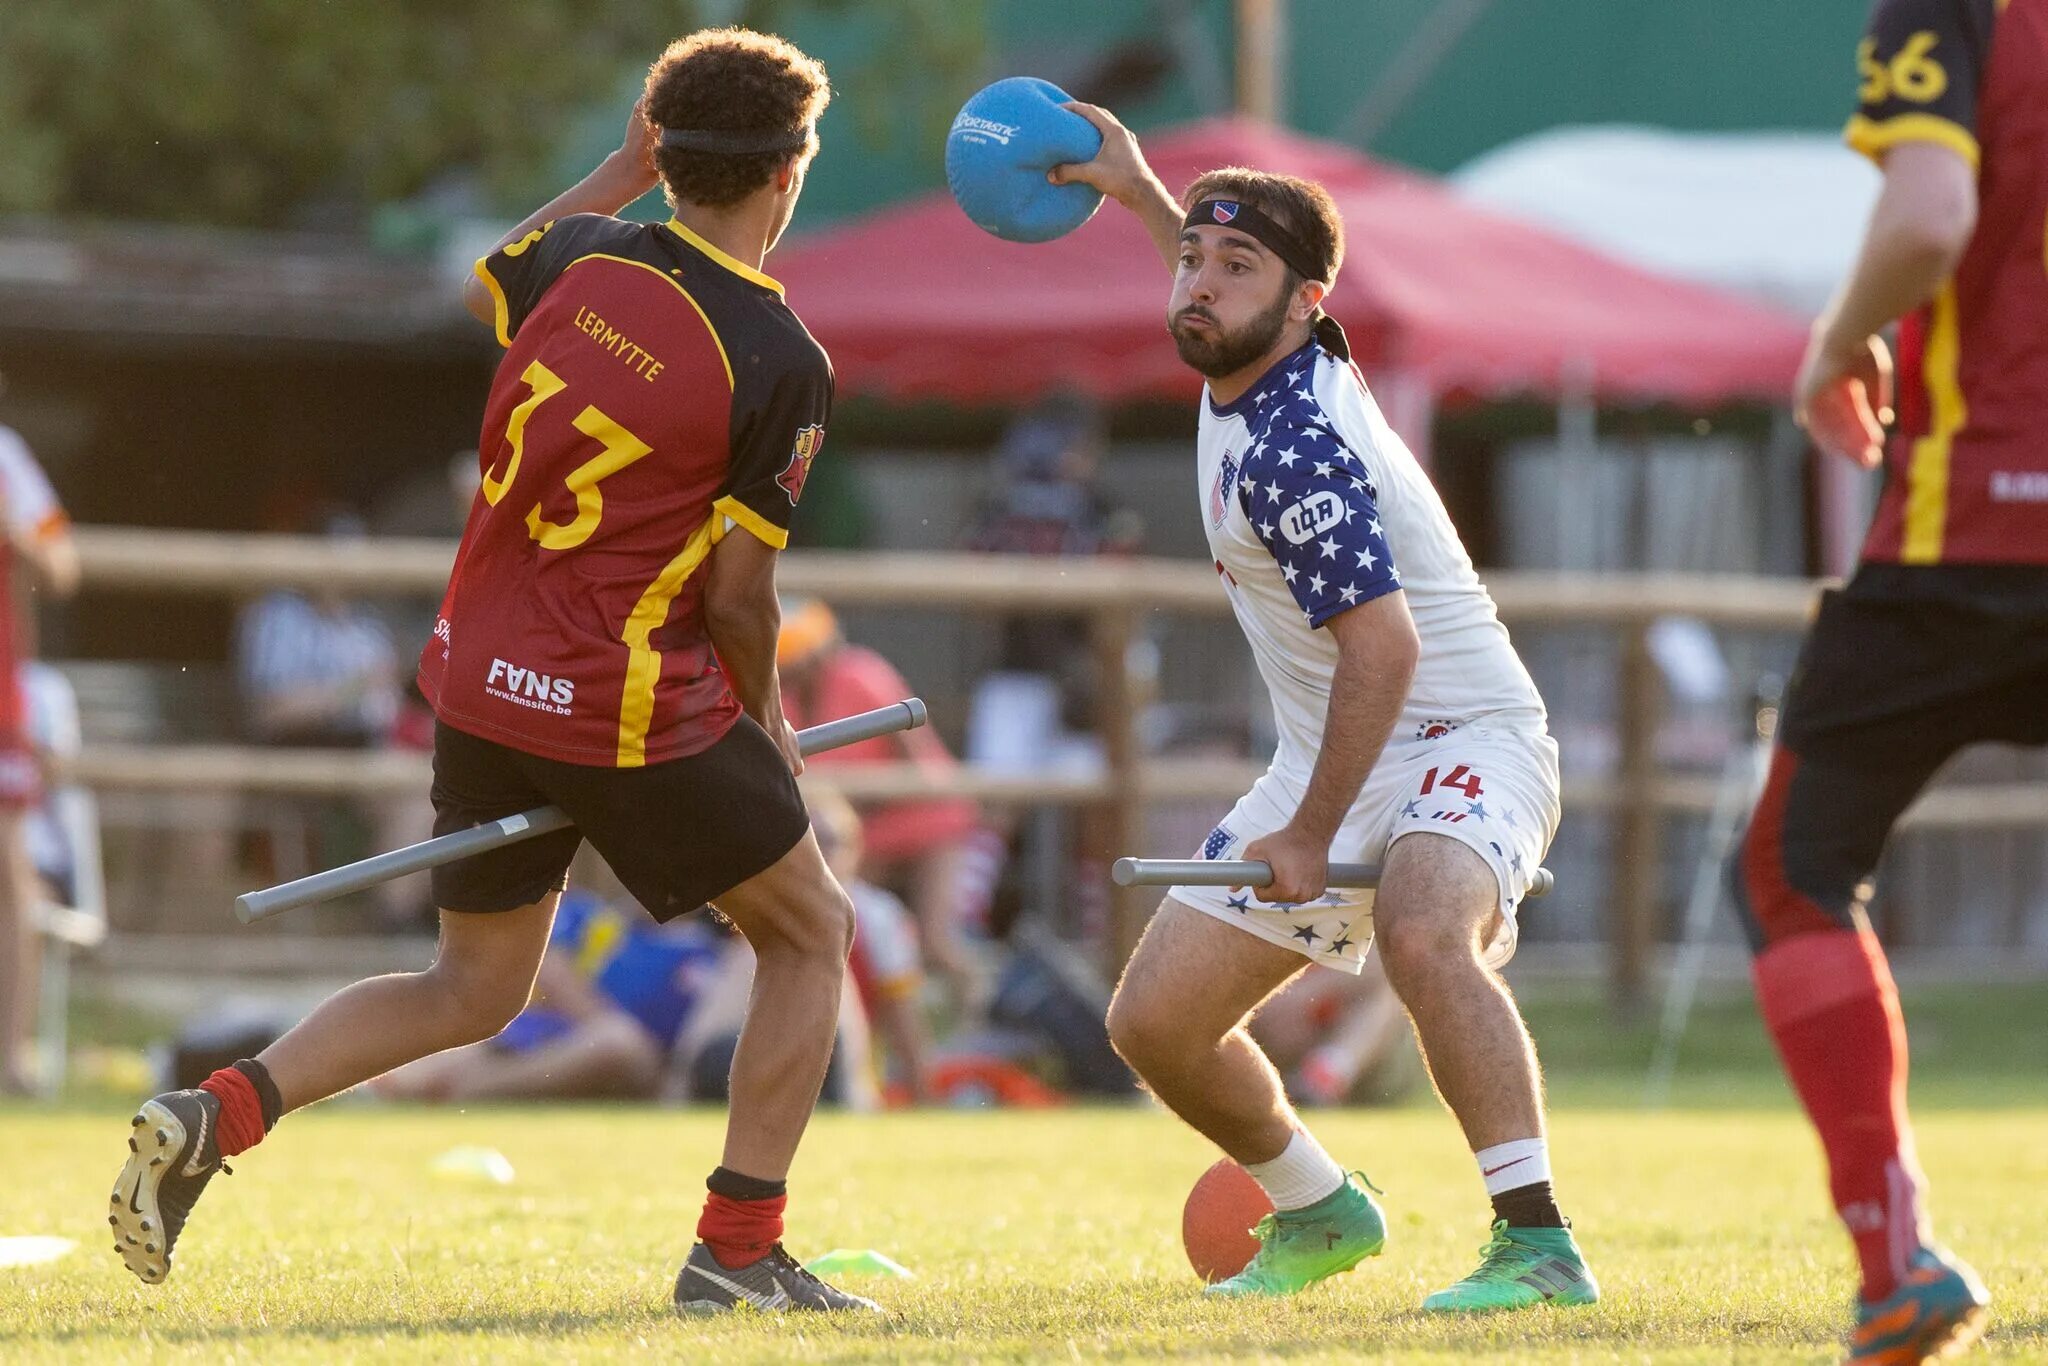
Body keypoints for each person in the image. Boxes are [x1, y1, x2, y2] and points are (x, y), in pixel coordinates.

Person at [109, 28, 882, 1315]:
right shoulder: (776, 356)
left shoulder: (580, 258)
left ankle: (219, 1110)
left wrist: (616, 172)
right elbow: (740, 597)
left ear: (663, 154)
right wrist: (772, 724)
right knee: (812, 933)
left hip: (474, 682)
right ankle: (737, 1250)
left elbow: (486, 281)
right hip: (619, 702)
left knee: (473, 985)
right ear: (788, 173)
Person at [1050, 112, 1597, 1309]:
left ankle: (1535, 1243)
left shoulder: (1295, 445)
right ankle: (1316, 1207)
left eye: (1231, 269)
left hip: (1467, 741)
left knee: (1417, 931)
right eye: (1189, 258)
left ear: (1305, 302)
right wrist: (1143, 190)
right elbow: (1213, 274)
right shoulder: (1247, 343)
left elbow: (1385, 650)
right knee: (1153, 1023)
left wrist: (1307, 832)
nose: (1196, 285)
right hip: (1338, 743)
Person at [1734, 3, 2042, 1359]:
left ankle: (1892, 1253)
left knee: (1794, 872)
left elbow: (1927, 218)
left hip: (1963, 543)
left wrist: (1835, 336)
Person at [778, 598, 996, 1013]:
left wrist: (851, 798)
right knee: (844, 923)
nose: (791, 668)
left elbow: (913, 763)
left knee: (938, 942)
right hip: (863, 830)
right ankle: (868, 1023)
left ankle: (981, 1012)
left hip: (929, 819)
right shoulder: (782, 699)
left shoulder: (860, 674)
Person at [369, 883, 729, 1103]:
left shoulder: (702, 955)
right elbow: (545, 964)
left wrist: (595, 1018)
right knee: (411, 1071)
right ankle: (351, 1088)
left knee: (618, 1044)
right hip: (545, 1031)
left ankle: (468, 1092)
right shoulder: (595, 916)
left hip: (615, 1052)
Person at [0, 403, 79, 1096]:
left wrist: (15, 532)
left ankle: (12, 1059)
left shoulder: (6, 458)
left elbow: (61, 565)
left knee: (9, 876)